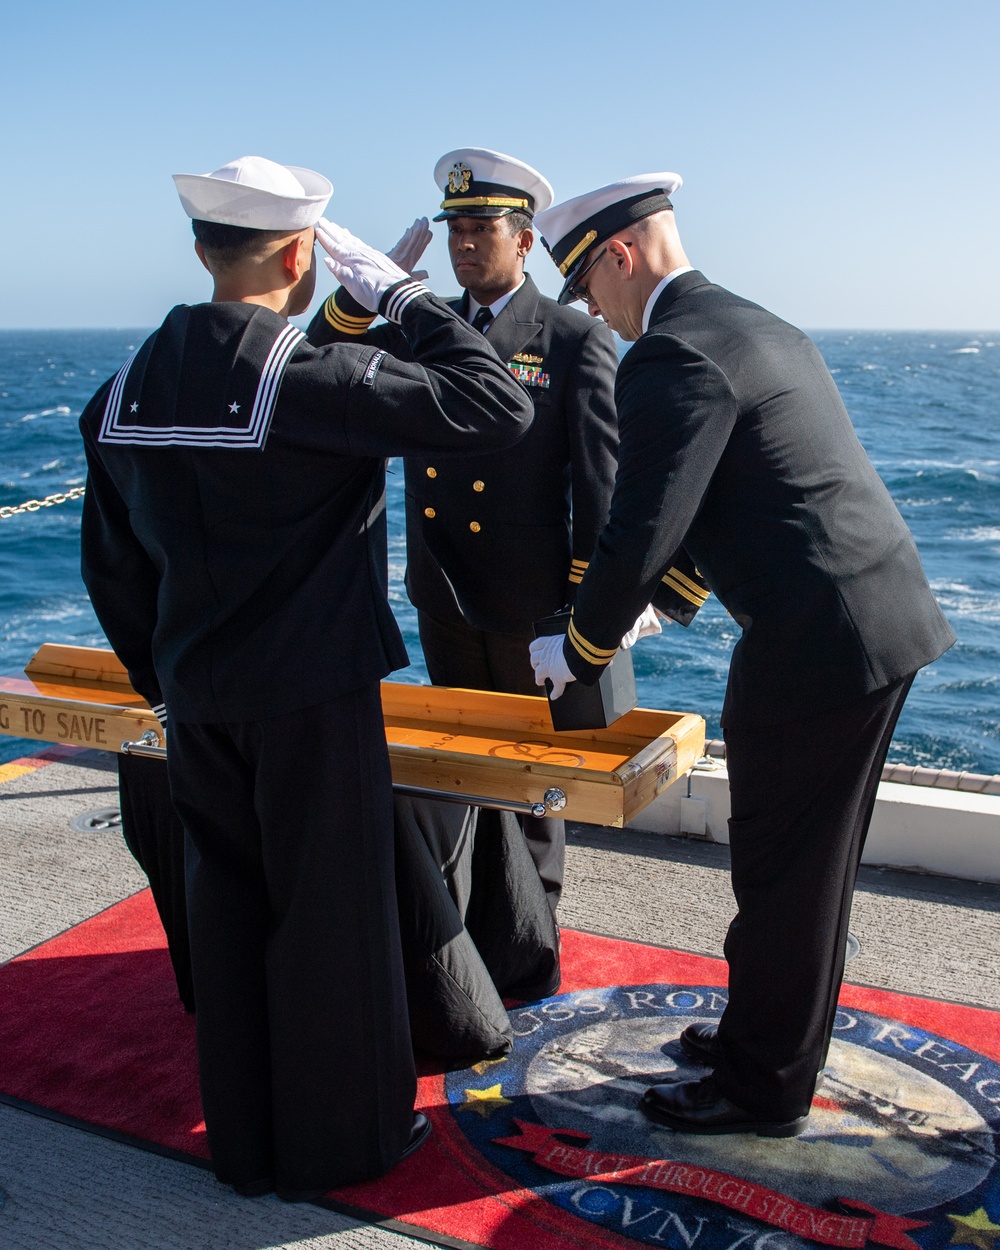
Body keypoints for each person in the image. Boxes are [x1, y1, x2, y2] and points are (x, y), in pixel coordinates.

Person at [79, 155, 533, 1198]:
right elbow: (493, 408)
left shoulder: (123, 389)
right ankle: (342, 1142)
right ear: (301, 252)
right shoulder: (305, 378)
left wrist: (168, 675)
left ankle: (247, 1143)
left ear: (201, 248)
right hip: (310, 701)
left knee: (228, 918)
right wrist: (406, 297)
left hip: (197, 699)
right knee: (334, 927)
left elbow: (112, 566)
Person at [530, 173, 956, 1137]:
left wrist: (583, 645)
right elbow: (731, 496)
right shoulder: (748, 324)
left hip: (820, 645)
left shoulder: (671, 355)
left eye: (587, 288)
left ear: (617, 256)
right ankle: (767, 1039)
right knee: (803, 867)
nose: (593, 312)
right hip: (871, 617)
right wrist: (659, 611)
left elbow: (640, 525)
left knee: (784, 874)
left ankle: (763, 1086)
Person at [308, 148, 625, 931]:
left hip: (530, 600)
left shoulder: (570, 339)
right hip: (444, 587)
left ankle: (534, 926)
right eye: (456, 229)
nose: (464, 244)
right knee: (463, 765)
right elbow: (317, 364)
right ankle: (475, 916)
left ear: (525, 242)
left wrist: (584, 606)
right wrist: (359, 294)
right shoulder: (426, 329)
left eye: (483, 227)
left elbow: (600, 485)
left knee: (531, 775)